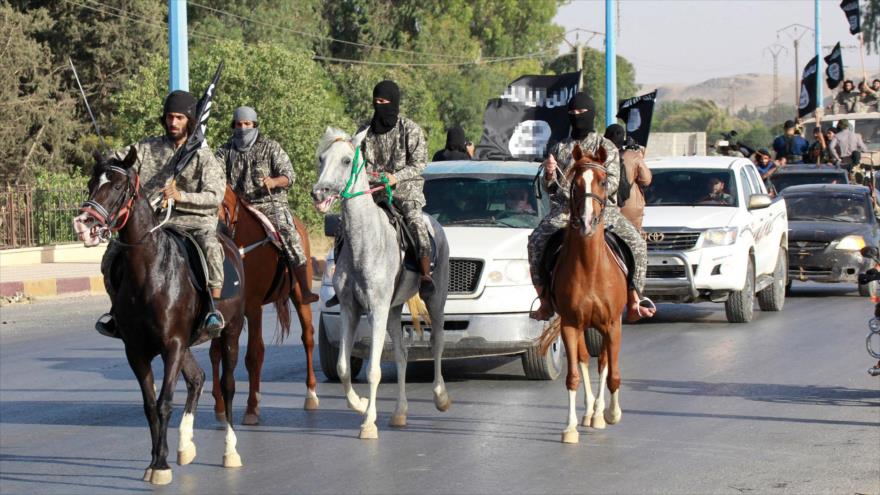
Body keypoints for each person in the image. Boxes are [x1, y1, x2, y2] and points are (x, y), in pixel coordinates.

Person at [96, 90, 226, 338]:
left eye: (179, 117)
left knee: (210, 248)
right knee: (112, 255)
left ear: (190, 120)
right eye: (169, 117)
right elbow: (120, 160)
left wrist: (181, 197)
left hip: (191, 221)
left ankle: (212, 308)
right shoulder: (147, 147)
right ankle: (117, 311)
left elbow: (214, 197)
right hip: (152, 222)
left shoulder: (202, 155)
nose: (173, 122)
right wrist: (108, 159)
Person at [527, 92, 655, 322]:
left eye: (581, 113)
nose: (577, 117)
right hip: (566, 212)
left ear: (591, 114)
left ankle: (635, 298)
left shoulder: (605, 147)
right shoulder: (559, 148)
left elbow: (614, 182)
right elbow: (550, 188)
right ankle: (544, 300)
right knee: (536, 240)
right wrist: (548, 173)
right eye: (572, 113)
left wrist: (590, 194)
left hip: (602, 211)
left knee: (636, 241)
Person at [216, 106, 319, 304]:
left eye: (247, 124)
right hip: (238, 205)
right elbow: (215, 175)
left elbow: (290, 175)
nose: (242, 128)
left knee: (288, 233)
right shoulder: (224, 151)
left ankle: (304, 288)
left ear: (255, 125)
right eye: (238, 124)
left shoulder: (270, 147)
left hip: (269, 203)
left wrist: (274, 181)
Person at [359, 80, 434, 295]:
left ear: (394, 102)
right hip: (371, 191)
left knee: (415, 222)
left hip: (405, 189)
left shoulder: (410, 129)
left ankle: (425, 274)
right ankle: (342, 278)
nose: (378, 105)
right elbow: (356, 161)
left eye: (383, 101)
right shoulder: (365, 130)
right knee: (346, 224)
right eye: (376, 101)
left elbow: (419, 163)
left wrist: (396, 177)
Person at [604, 125, 652, 230]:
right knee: (632, 241)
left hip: (605, 207)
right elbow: (646, 180)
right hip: (630, 207)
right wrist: (638, 156)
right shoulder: (632, 156)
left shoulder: (599, 156)